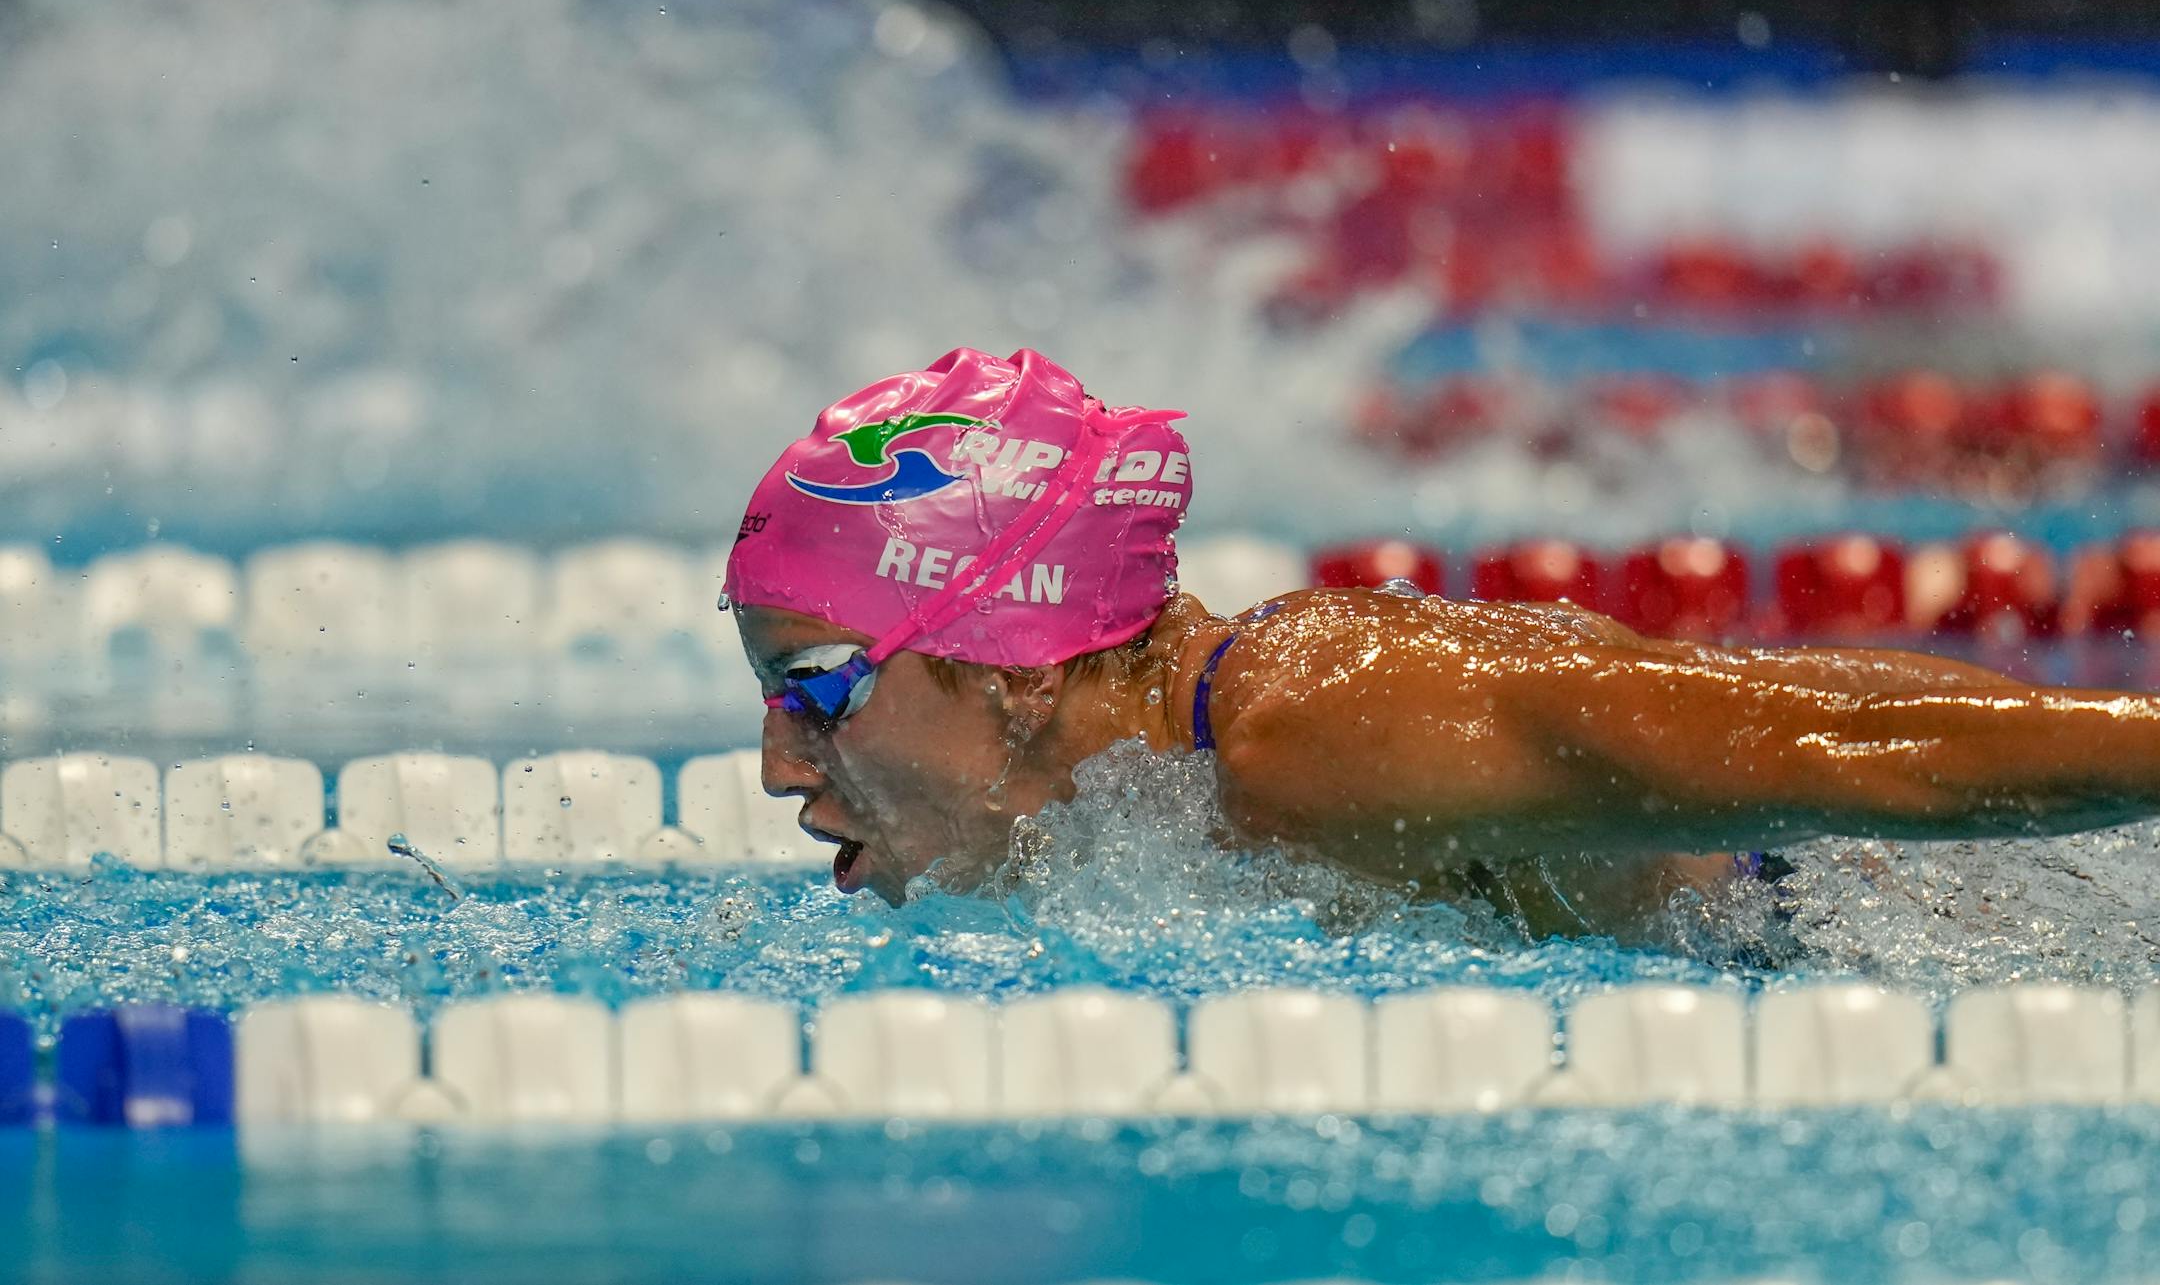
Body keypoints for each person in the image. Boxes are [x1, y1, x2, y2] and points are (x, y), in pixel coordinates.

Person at [724, 346, 2160, 939]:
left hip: (1937, 945)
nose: (783, 762)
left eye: (813, 689)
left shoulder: (1326, 721)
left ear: (1012, 671)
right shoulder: (1156, 795)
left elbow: (1827, 739)